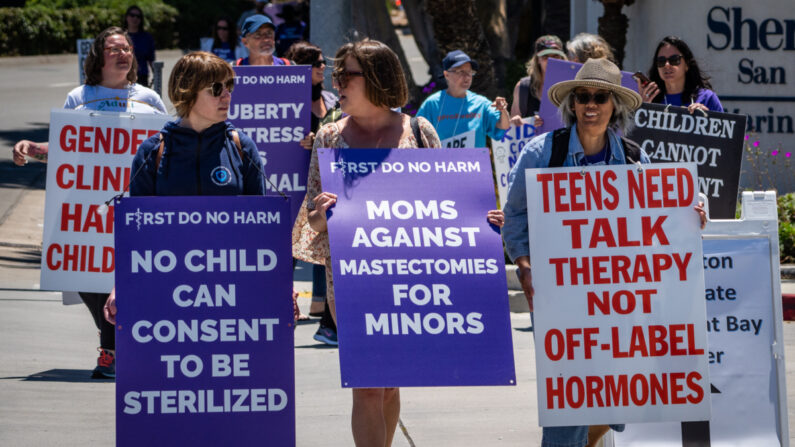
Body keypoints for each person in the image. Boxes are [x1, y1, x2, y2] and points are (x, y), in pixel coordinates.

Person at [293, 39, 503, 447]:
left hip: (411, 277)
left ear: (375, 78)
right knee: (368, 384)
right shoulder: (330, 138)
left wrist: (484, 222)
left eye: (345, 75)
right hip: (353, 279)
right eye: (336, 75)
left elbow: (449, 204)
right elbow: (313, 224)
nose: (338, 83)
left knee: (389, 383)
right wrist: (322, 213)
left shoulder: (419, 131)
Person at [502, 57, 706, 447]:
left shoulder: (632, 159)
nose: (590, 105)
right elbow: (514, 217)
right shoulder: (542, 153)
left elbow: (657, 219)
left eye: (600, 97)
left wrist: (690, 215)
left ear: (615, 105)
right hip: (561, 299)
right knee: (570, 404)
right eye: (583, 97)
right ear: (572, 103)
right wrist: (525, 266)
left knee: (614, 405)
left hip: (618, 305)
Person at [11, 26, 166, 379]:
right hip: (87, 205)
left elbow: (163, 148)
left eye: (127, 48)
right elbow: (66, 147)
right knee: (84, 268)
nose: (123, 54)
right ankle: (112, 335)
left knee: (125, 271)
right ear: (98, 56)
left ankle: (110, 349)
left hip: (134, 200)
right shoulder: (79, 97)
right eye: (114, 49)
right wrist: (33, 149)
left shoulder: (149, 99)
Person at [104, 51, 266, 321]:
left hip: (231, 286)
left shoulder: (242, 147)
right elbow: (137, 233)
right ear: (187, 92)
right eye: (216, 89)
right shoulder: (152, 152)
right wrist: (119, 285)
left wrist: (281, 285)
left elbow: (262, 230)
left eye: (229, 87)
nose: (227, 95)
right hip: (169, 286)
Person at [285, 40, 339, 345]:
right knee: (292, 246)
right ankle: (286, 303)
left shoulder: (331, 99)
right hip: (296, 180)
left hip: (324, 182)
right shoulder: (290, 101)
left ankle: (322, 308)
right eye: (316, 63)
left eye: (322, 62)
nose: (322, 67)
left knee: (323, 245)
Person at [416, 50, 509, 148]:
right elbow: (417, 136)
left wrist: (503, 111)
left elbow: (503, 126)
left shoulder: (481, 104)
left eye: (469, 72)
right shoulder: (432, 104)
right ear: (446, 74)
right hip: (443, 163)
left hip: (475, 163)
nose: (467, 77)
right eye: (460, 72)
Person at [638, 35, 723, 113]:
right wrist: (643, 108)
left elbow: (723, 128)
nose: (667, 65)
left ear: (687, 65)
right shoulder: (649, 100)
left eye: (674, 60)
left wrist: (707, 117)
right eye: (661, 61)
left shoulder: (707, 97)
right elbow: (632, 129)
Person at [510, 35, 567, 127]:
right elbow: (514, 124)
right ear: (537, 60)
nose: (551, 60)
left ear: (562, 58)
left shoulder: (570, 87)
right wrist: (523, 122)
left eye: (555, 56)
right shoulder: (523, 87)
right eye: (545, 56)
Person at [123, 6, 156, 87]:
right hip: (123, 76)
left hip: (142, 77)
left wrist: (156, 75)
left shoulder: (147, 37)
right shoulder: (120, 37)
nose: (135, 18)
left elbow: (151, 60)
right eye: (132, 15)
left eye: (138, 16)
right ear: (127, 17)